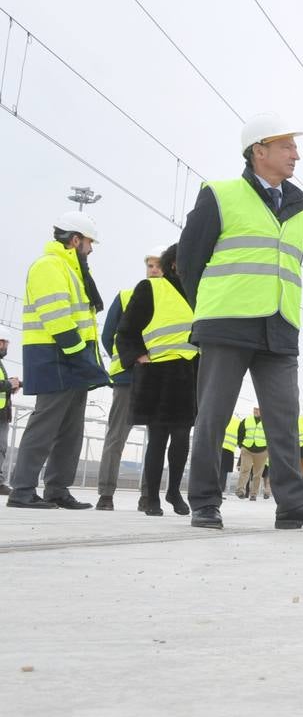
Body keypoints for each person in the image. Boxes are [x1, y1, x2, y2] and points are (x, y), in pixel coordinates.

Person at [178, 112, 303, 530]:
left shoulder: (300, 210)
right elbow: (189, 261)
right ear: (259, 151)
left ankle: (292, 504)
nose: (296, 155)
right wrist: (208, 307)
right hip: (227, 322)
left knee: (285, 420)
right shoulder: (219, 194)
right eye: (287, 147)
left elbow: (290, 264)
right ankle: (205, 502)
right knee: (214, 416)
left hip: (280, 323)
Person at [7, 211, 109, 510]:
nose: (91, 249)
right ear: (75, 240)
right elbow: (56, 316)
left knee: (70, 430)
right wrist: (79, 354)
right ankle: (22, 490)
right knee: (45, 426)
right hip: (56, 356)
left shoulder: (71, 269)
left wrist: (86, 360)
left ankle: (57, 489)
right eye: (89, 243)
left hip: (72, 358)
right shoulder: (50, 266)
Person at [114, 243, 197, 517]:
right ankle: (152, 497)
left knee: (182, 437)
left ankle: (174, 491)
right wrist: (138, 357)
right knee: (158, 438)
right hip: (158, 374)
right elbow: (126, 331)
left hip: (187, 374)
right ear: (175, 264)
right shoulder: (150, 288)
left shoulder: (198, 292)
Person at [96, 245, 165, 511]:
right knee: (116, 437)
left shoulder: (173, 300)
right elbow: (108, 336)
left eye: (158, 265)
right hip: (127, 378)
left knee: (156, 441)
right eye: (150, 266)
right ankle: (106, 494)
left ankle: (148, 497)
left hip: (157, 379)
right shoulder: (125, 297)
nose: (154, 270)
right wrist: (132, 358)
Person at [0, 334, 21, 496]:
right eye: (3, 343)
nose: (5, 347)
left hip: (2, 413)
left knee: (1, 448)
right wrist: (9, 384)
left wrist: (13, 385)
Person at [236, 407, 269, 500]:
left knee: (257, 474)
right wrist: (241, 445)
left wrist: (267, 448)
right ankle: (240, 491)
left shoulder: (268, 422)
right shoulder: (246, 420)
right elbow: (240, 433)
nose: (256, 411)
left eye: (258, 409)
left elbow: (272, 435)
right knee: (245, 470)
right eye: (255, 409)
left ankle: (253, 494)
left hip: (262, 451)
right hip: (247, 449)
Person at [221, 412, 240, 495]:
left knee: (217, 469)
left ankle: (215, 489)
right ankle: (221, 490)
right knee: (224, 471)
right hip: (230, 449)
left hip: (220, 447)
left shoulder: (224, 418)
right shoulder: (238, 422)